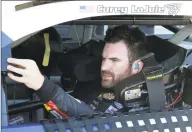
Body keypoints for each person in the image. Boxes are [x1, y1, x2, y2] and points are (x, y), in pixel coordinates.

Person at [7, 25, 148, 117]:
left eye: (114, 60)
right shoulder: (105, 85)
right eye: (104, 58)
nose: (104, 67)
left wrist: (42, 85)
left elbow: (95, 123)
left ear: (136, 66)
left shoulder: (143, 102)